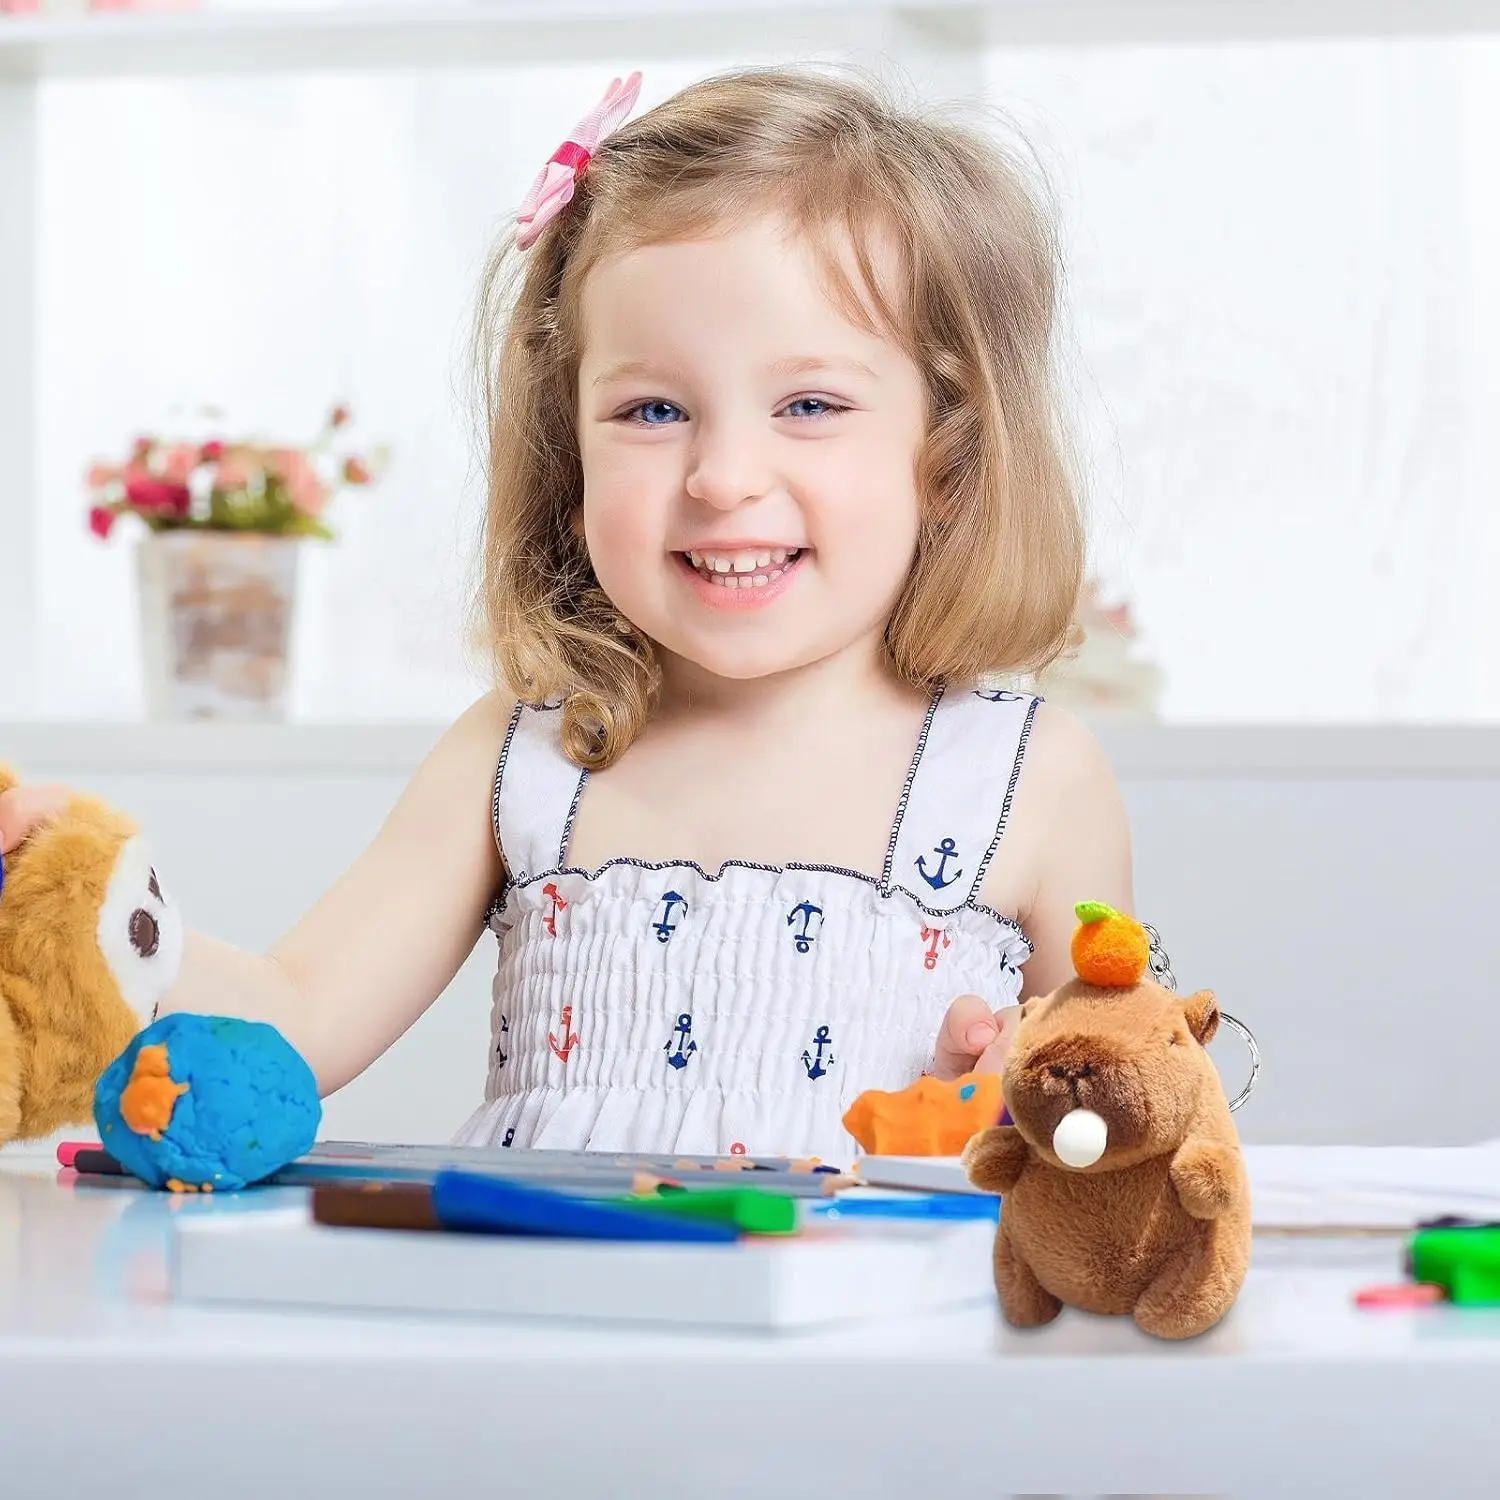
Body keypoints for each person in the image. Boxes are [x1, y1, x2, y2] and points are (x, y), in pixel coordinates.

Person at [0, 64, 1134, 1165]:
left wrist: (1028, 1104)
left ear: (948, 454)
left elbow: (1119, 1112)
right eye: (651, 408)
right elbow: (295, 1017)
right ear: (569, 447)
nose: (723, 474)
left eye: (809, 403)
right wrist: (88, 895)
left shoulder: (1029, 775)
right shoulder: (533, 749)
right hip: (543, 1334)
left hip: (869, 1349)